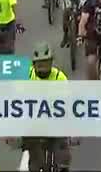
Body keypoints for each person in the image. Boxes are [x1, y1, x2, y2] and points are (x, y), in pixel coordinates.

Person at [24, 43, 72, 172]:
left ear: (51, 63)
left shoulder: (59, 77)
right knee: (34, 160)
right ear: (34, 64)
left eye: (46, 63)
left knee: (63, 152)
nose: (43, 68)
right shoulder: (27, 75)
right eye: (39, 64)